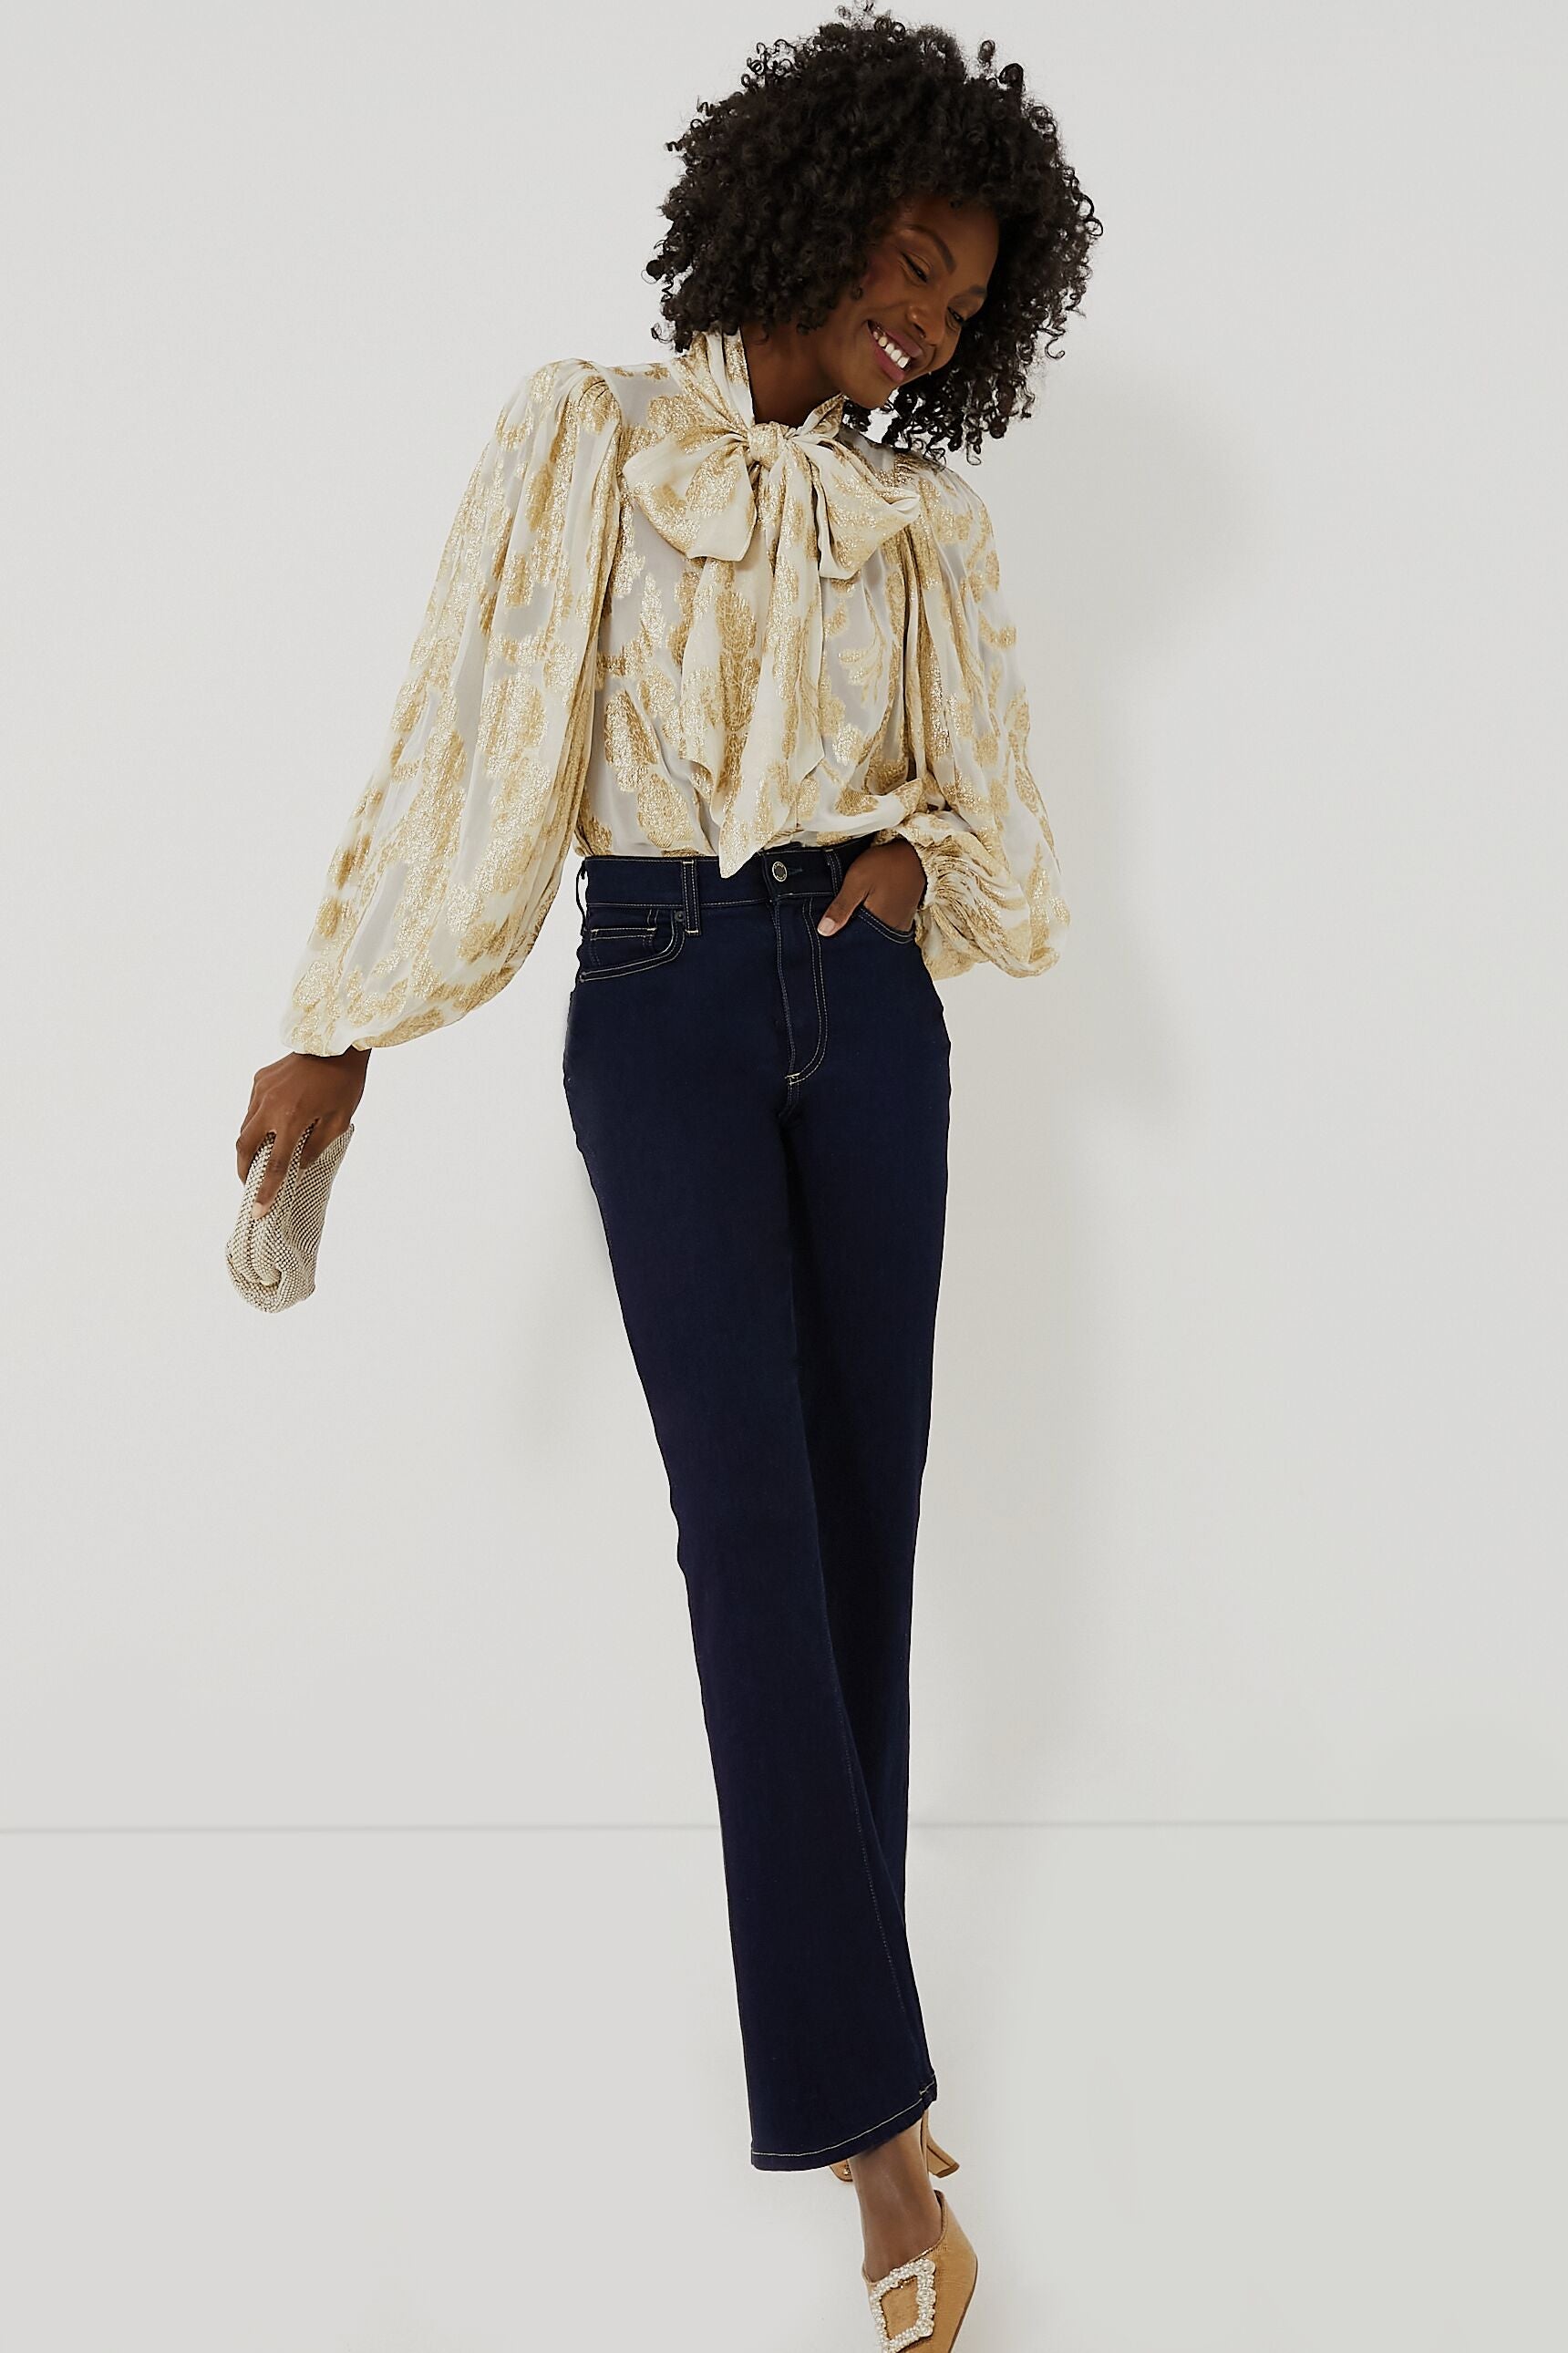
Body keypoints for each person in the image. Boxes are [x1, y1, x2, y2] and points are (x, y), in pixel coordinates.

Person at [235, 7, 1099, 2342]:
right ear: (812, 211)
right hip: (656, 995)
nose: (926, 322)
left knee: (855, 1540)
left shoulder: (922, 520)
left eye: (964, 301)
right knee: (747, 1539)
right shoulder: (587, 438)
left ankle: (863, 2076)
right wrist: (338, 1021)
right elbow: (470, 731)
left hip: (867, 1017)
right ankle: (877, 2139)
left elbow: (996, 814)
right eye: (908, 263)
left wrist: (906, 875)